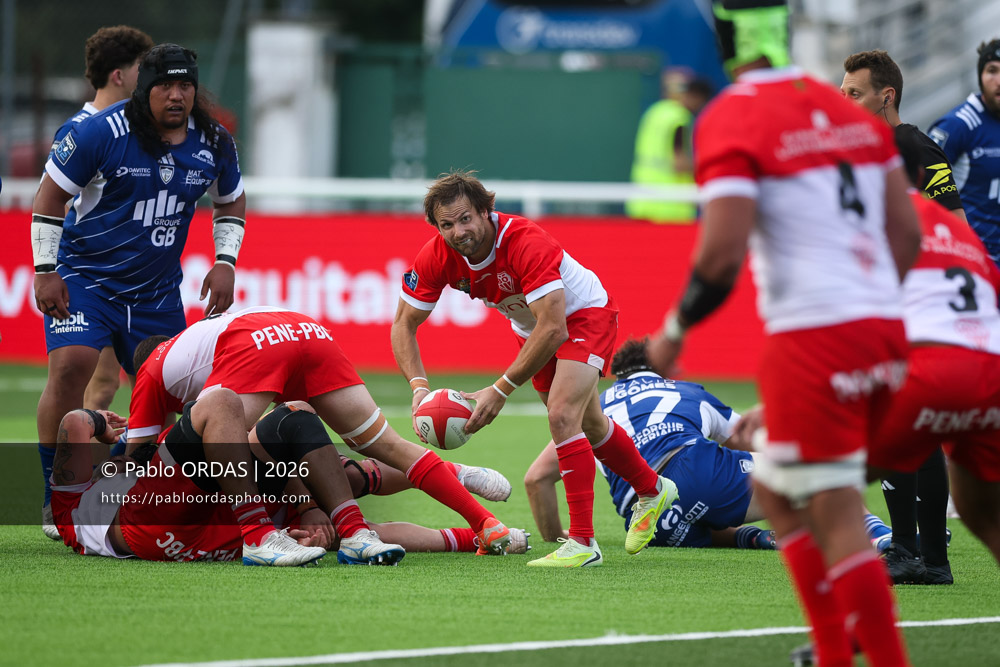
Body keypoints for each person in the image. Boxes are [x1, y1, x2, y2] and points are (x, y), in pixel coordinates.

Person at [645, 2, 920, 666]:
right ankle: (834, 649)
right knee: (776, 486)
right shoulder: (849, 114)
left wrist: (674, 331)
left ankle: (859, 654)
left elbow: (720, 255)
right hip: (885, 328)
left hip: (812, 338)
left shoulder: (730, 115)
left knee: (825, 506)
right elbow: (906, 235)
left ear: (726, 35)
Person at [391, 170, 678, 568]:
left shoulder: (525, 241)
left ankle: (582, 543)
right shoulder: (438, 255)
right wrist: (419, 388)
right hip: (530, 328)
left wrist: (501, 388)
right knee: (590, 425)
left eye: (465, 218)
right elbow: (403, 323)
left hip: (582, 316)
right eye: (447, 224)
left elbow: (556, 326)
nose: (458, 231)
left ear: (486, 211)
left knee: (562, 416)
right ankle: (653, 488)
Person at [33, 43, 246, 539]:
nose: (177, 96)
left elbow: (231, 204)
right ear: (144, 88)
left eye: (186, 86)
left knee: (174, 394)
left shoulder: (214, 141)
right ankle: (54, 493)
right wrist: (46, 270)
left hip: (156, 292)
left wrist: (224, 261)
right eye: (166, 86)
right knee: (72, 366)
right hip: (87, 279)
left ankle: (137, 484)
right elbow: (49, 197)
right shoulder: (98, 133)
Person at [126, 306, 514, 556]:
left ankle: (259, 536)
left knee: (239, 439)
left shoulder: (150, 370)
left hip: (257, 344)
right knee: (383, 448)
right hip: (308, 330)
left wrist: (306, 505)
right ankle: (481, 518)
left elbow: (138, 462)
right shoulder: (195, 350)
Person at [51, 388, 405, 566]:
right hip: (158, 521)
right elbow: (73, 423)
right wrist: (100, 422)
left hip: (204, 524)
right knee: (222, 403)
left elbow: (72, 424)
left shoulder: (74, 508)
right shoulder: (72, 509)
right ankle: (268, 535)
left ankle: (355, 530)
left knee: (296, 416)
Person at [842, 48, 957, 585]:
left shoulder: (914, 146)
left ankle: (916, 552)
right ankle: (925, 556)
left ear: (886, 96)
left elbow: (954, 224)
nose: (845, 102)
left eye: (854, 94)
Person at [525, 339, 776, 550]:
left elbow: (536, 479)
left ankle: (748, 536)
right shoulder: (685, 390)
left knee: (686, 516)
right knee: (798, 473)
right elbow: (748, 439)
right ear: (660, 365)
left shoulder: (590, 410)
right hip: (696, 469)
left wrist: (556, 536)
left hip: (647, 518)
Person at [49, 25, 155, 420]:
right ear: (119, 75)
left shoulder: (134, 128)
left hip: (131, 280)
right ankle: (70, 473)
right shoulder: (81, 130)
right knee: (93, 381)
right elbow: (51, 202)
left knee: (111, 383)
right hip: (91, 278)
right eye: (142, 68)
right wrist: (55, 268)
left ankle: (102, 471)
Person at [928, 39, 1000, 269]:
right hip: (974, 264)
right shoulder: (958, 125)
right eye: (992, 71)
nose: (999, 81)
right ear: (980, 76)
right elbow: (921, 189)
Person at [626, 69, 713, 223]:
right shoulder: (679, 117)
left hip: (642, 202)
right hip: (671, 206)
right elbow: (679, 164)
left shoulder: (655, 112)